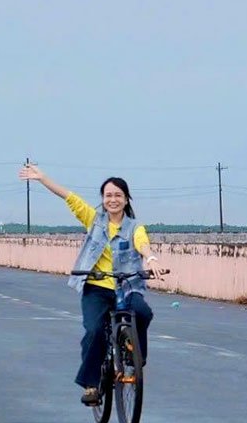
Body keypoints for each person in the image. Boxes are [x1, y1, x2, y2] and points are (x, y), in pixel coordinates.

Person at [18, 162, 160, 406]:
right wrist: (42, 178)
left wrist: (151, 258)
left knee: (143, 313)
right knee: (95, 331)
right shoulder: (94, 220)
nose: (113, 200)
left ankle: (135, 359)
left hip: (127, 286)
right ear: (103, 199)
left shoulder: (135, 227)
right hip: (96, 287)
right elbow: (68, 196)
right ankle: (92, 385)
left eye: (118, 195)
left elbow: (142, 243)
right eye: (108, 195)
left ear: (126, 200)